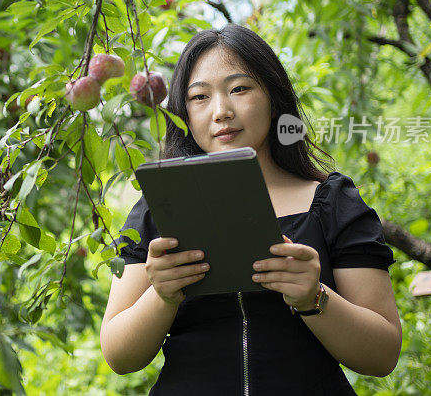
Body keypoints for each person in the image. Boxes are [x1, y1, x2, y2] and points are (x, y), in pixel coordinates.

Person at [100, 24, 402, 394]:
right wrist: (161, 295)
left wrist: (314, 298)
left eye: (239, 89)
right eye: (199, 97)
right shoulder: (159, 208)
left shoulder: (333, 202)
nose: (221, 111)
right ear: (183, 115)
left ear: (273, 97)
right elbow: (119, 355)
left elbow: (383, 355)